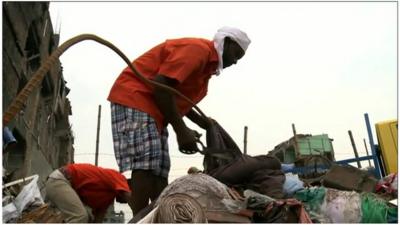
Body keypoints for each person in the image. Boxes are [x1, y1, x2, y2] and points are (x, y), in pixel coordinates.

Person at [107, 26, 251, 214]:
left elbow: (176, 97)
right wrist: (181, 130)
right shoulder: (197, 51)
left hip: (155, 109)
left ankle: (162, 216)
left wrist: (201, 122)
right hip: (136, 97)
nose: (234, 61)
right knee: (146, 166)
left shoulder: (206, 70)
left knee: (160, 170)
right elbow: (161, 85)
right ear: (227, 42)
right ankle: (140, 218)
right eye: (236, 54)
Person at [45, 163, 133, 223]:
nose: (124, 204)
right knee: (79, 216)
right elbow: (129, 196)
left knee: (88, 219)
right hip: (60, 180)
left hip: (61, 185)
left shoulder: (107, 199)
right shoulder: (119, 177)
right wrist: (141, 216)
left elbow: (97, 220)